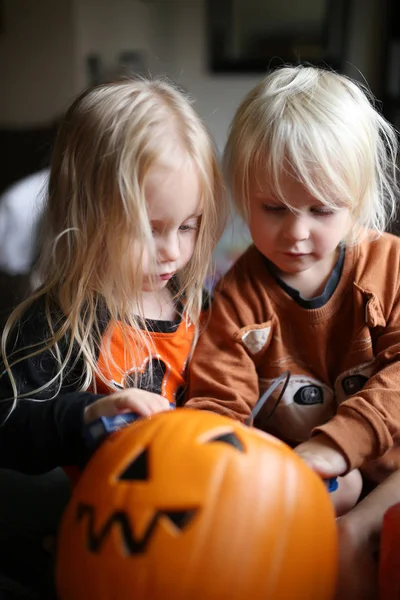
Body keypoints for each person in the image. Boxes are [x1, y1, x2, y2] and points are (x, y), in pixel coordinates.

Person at [185, 64, 400, 516]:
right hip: (298, 482)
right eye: (274, 208)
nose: (296, 233)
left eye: (321, 209)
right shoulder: (237, 297)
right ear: (245, 196)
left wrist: (339, 445)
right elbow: (217, 406)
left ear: (357, 198)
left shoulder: (390, 266)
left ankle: (358, 533)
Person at [0, 76, 227, 475]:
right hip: (110, 517)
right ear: (86, 216)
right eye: (147, 230)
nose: (172, 252)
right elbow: (10, 427)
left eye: (187, 226)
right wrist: (89, 415)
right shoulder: (60, 322)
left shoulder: (199, 309)